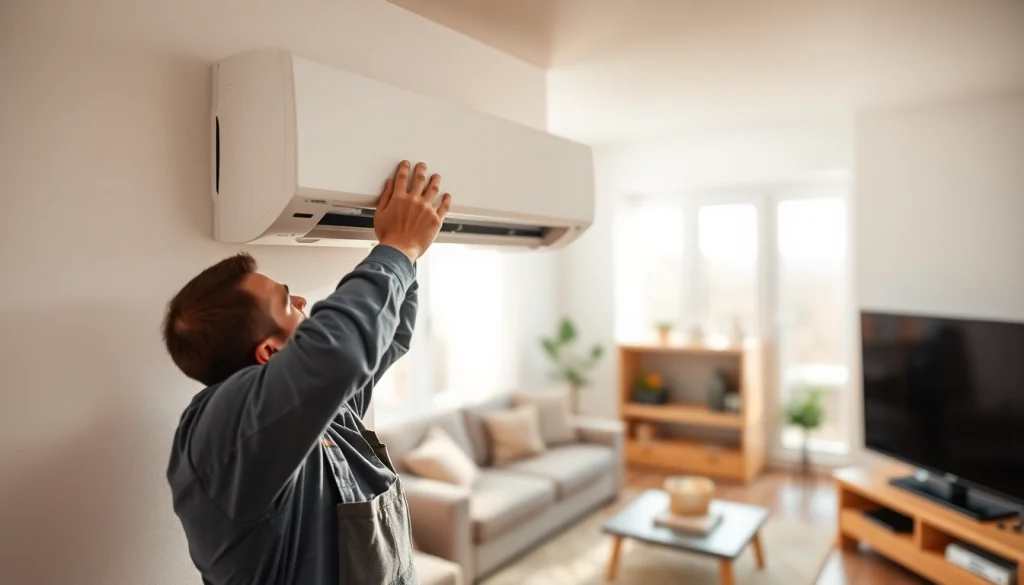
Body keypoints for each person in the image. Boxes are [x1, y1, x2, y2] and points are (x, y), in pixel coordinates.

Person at [163, 160, 451, 585]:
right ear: (269, 351)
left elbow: (391, 336)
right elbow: (338, 353)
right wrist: (397, 248)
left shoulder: (317, 413)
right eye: (284, 301)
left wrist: (408, 251)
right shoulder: (218, 433)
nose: (300, 299)